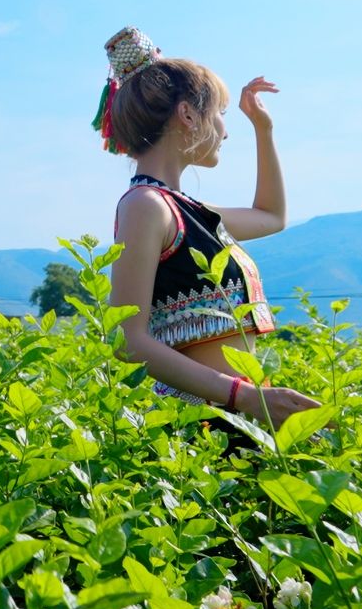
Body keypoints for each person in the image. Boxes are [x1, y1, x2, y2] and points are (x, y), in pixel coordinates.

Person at [94, 26, 320, 430]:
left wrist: (263, 130)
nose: (225, 131)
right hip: (198, 428)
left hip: (240, 415)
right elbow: (126, 340)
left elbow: (271, 216)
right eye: (220, 115)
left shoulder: (183, 210)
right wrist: (243, 395)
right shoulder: (146, 206)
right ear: (187, 115)